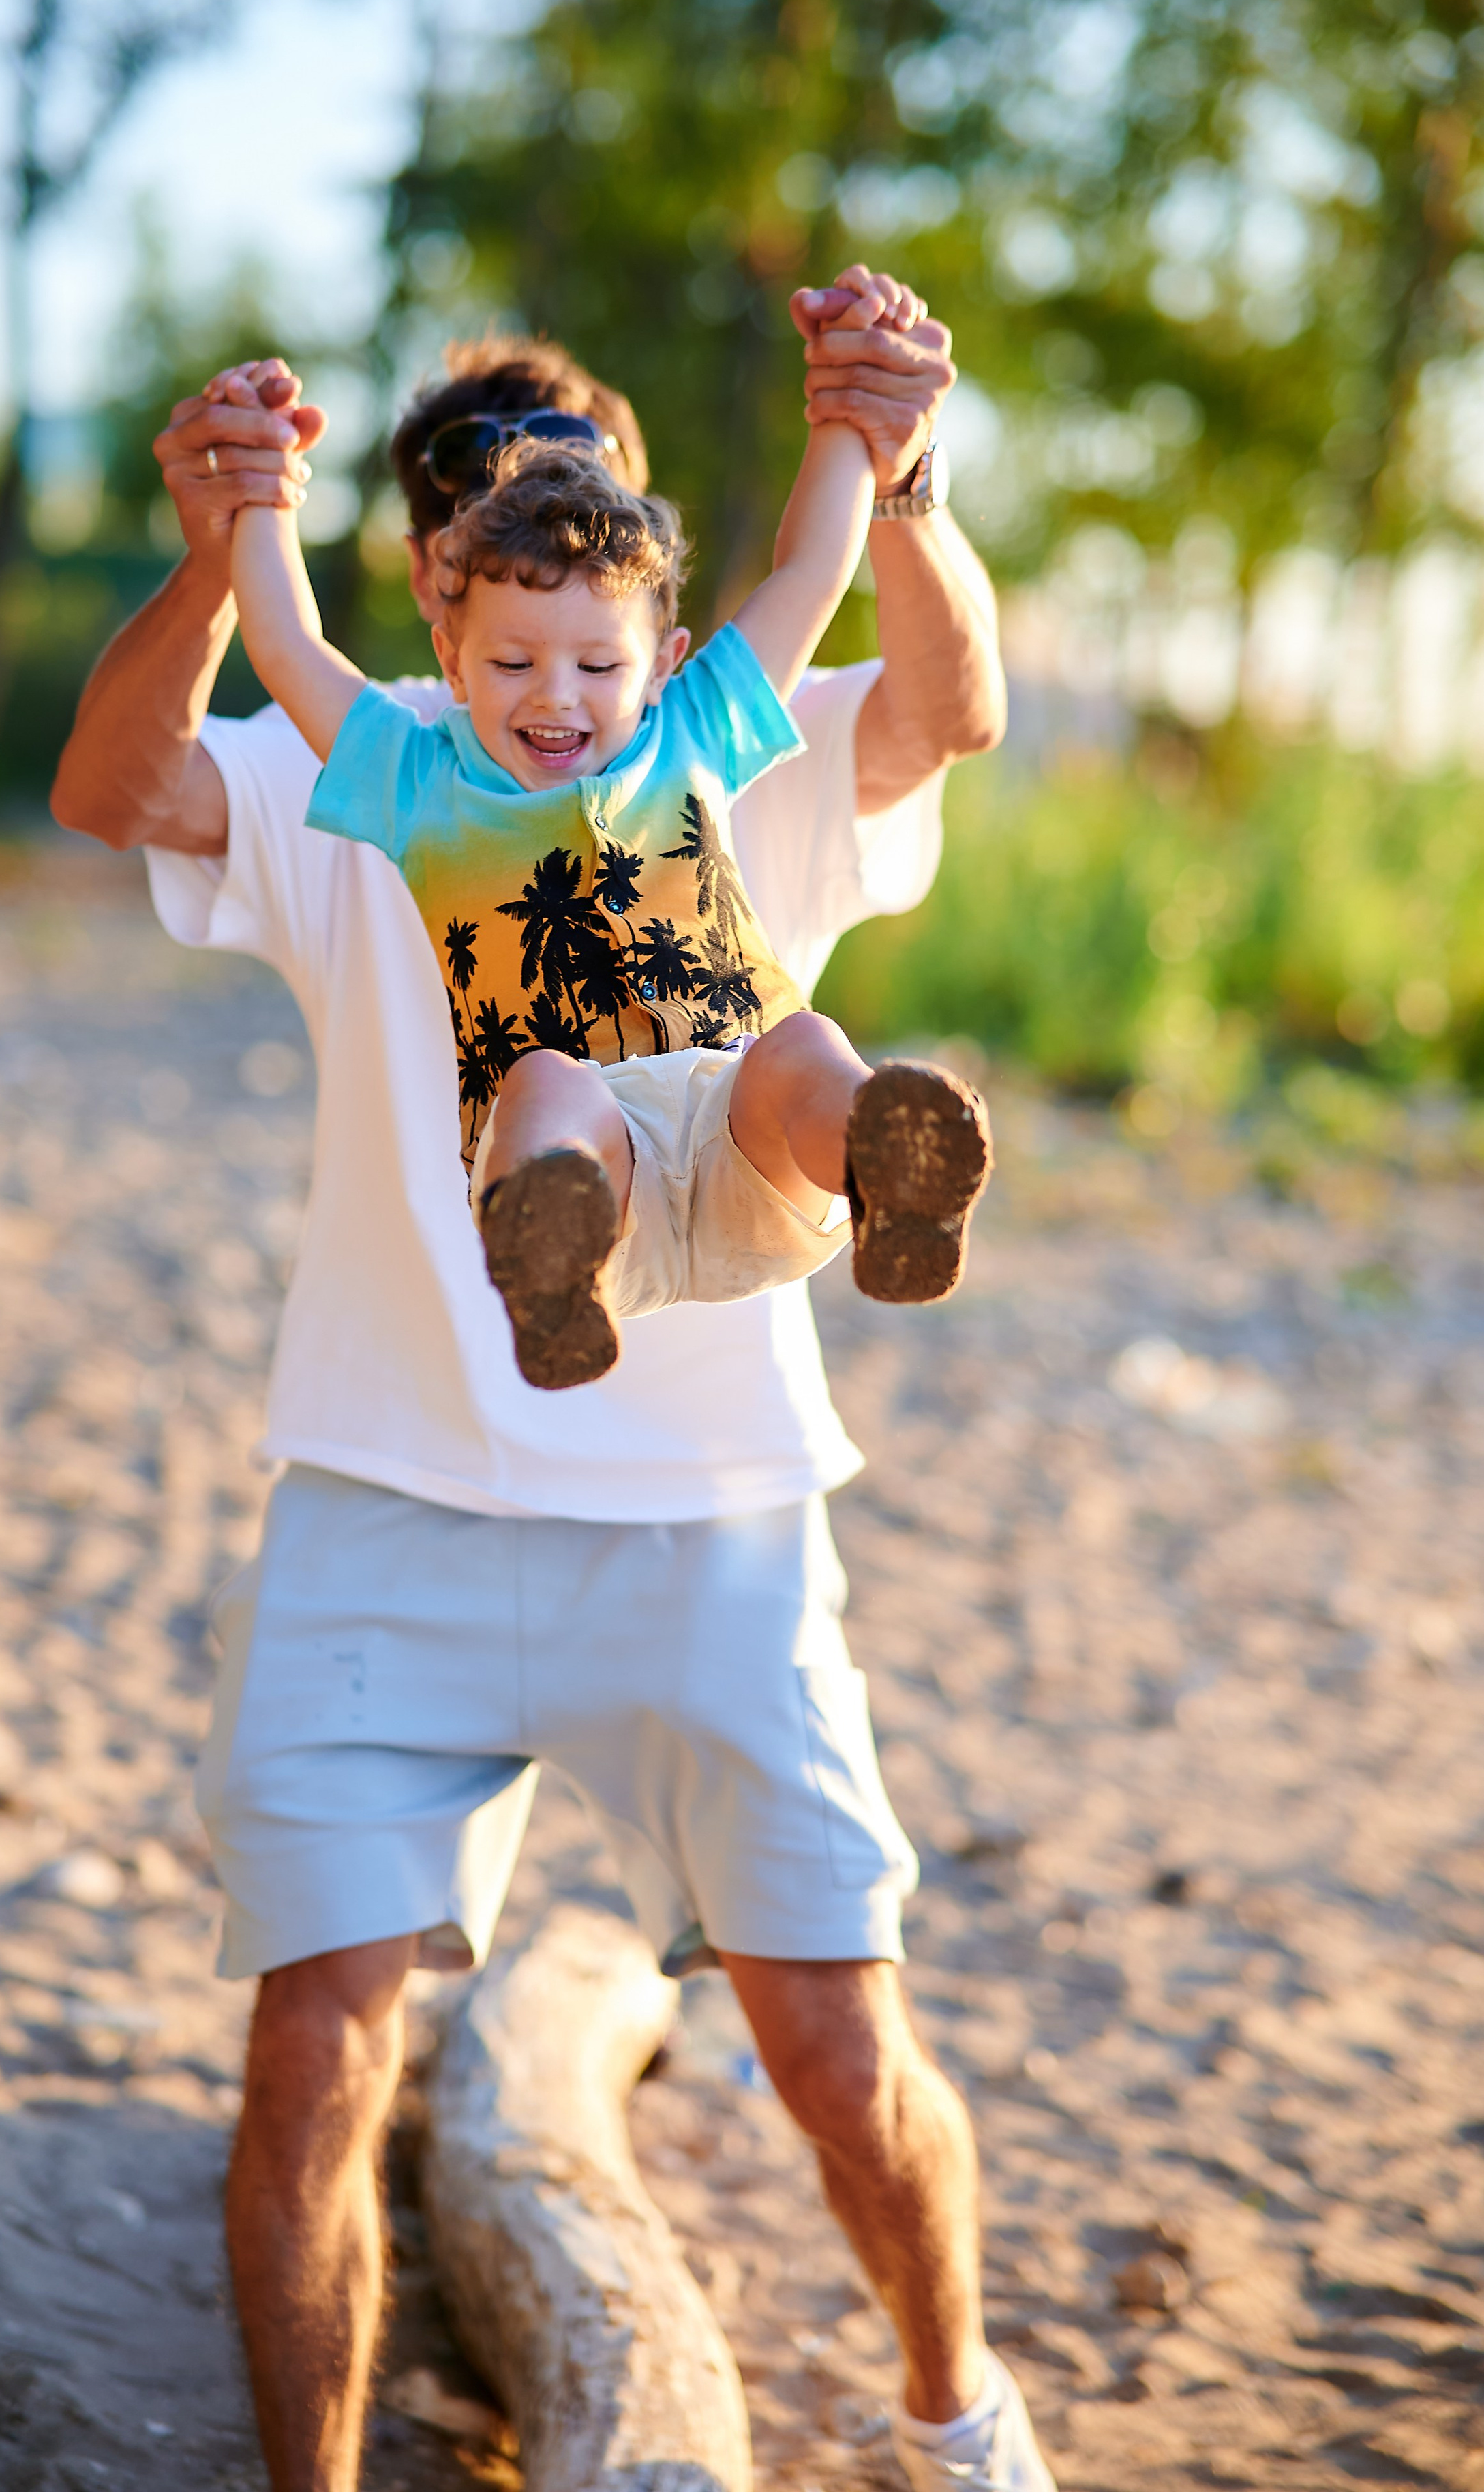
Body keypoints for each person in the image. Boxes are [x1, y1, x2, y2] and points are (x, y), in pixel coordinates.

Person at [51, 267, 1055, 2492]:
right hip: (393, 1500)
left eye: (582, 519)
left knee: (833, 2036)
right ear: (437, 571)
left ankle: (961, 2411)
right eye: (486, 517)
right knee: (312, 2042)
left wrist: (888, 447)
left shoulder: (704, 726)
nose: (553, 665)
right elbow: (124, 772)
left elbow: (932, 679)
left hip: (712, 1511)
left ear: (637, 571)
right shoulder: (390, 771)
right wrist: (227, 527)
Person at [226, 347, 991, 1390]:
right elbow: (284, 644)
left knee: (806, 1042)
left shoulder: (695, 733)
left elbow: (810, 572)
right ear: (449, 657)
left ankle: (891, 1183)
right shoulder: (415, 780)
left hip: (745, 1140)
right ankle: (552, 1284)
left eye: (598, 666)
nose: (556, 698)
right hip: (599, 1194)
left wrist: (845, 422)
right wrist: (263, 490)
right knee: (545, 1083)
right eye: (511, 663)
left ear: (667, 658)